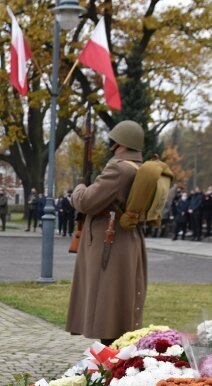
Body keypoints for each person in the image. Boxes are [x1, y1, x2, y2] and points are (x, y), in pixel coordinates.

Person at [66, 120, 147, 346]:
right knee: (118, 300)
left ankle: (110, 356)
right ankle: (114, 352)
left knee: (108, 301)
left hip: (111, 241)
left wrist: (79, 188)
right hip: (127, 239)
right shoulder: (137, 167)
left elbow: (86, 202)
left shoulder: (118, 168)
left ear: (119, 143)